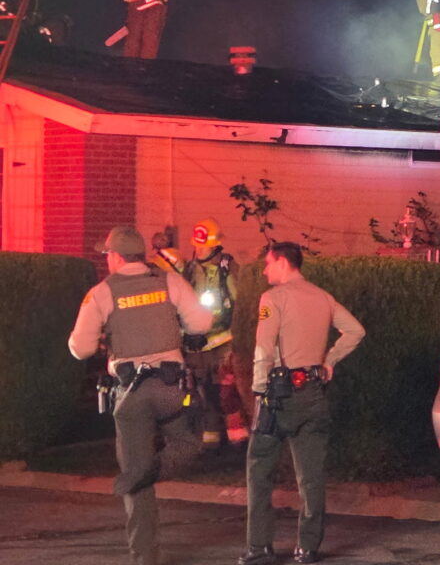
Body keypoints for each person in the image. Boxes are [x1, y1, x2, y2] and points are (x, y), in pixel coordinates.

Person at [68, 225, 212, 565]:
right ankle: (150, 470)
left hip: (131, 395)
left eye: (108, 255)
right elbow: (201, 324)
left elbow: (81, 348)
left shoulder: (102, 293)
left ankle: (145, 554)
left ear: (116, 257)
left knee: (135, 473)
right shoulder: (170, 282)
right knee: (189, 442)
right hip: (170, 388)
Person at [239, 241, 366, 565]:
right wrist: (328, 361)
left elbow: (264, 347)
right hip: (313, 393)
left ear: (283, 262)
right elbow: (355, 331)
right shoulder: (323, 297)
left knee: (259, 470)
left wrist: (258, 390)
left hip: (277, 395)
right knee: (311, 476)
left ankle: (259, 548)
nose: (265, 270)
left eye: (268, 263)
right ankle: (308, 548)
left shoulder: (273, 298)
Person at [183, 217, 246, 447]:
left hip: (222, 340)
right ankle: (211, 435)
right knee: (201, 389)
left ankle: (237, 436)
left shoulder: (227, 269)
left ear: (216, 245)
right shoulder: (189, 270)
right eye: (197, 245)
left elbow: (240, 304)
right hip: (196, 343)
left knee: (226, 390)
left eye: (204, 246)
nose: (199, 250)